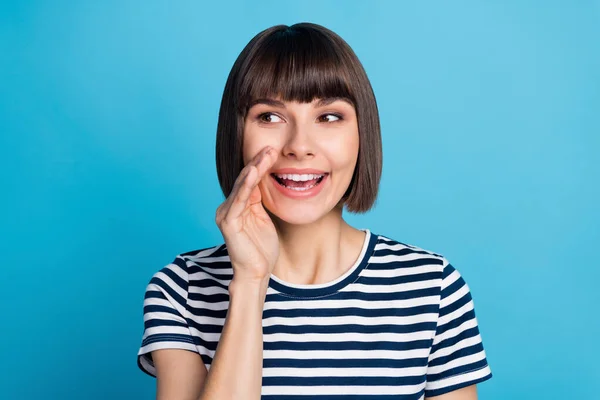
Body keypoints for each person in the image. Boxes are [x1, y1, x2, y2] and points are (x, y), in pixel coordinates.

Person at [137, 22, 492, 400]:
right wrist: (250, 285)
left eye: (328, 117)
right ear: (236, 134)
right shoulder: (183, 289)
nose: (299, 146)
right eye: (270, 117)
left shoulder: (431, 289)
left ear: (362, 135)